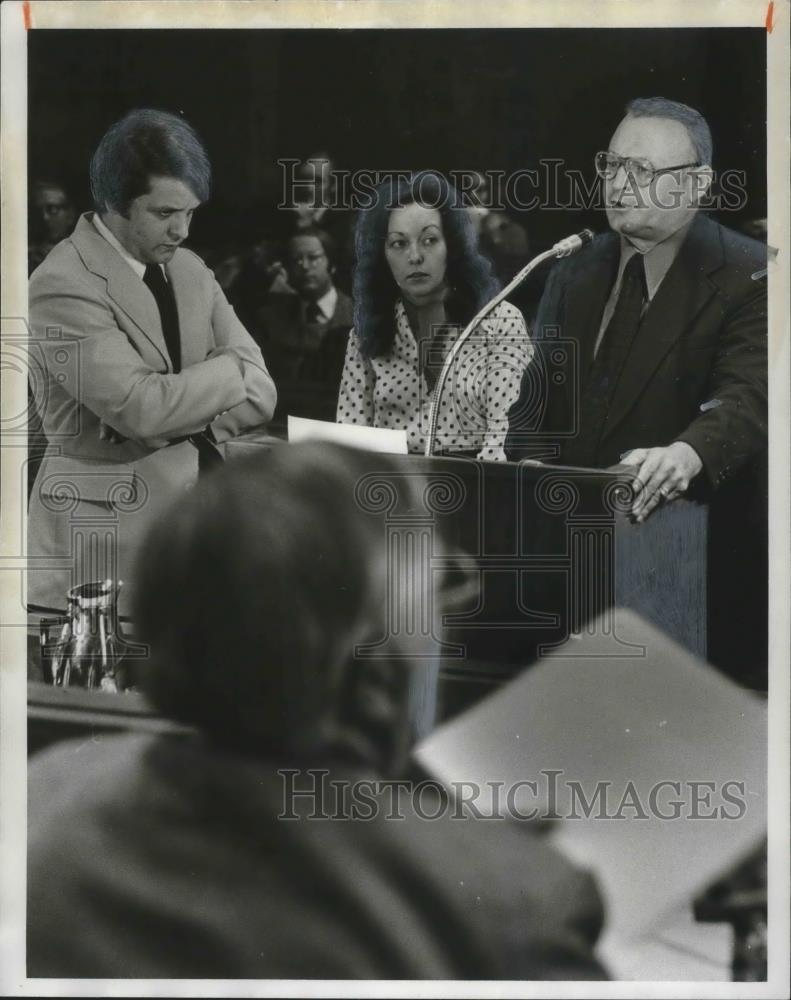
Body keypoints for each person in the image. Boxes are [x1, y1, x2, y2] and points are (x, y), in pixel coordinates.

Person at [27, 442, 606, 979]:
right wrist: (471, 857)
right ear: (379, 661)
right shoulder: (518, 909)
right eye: (440, 587)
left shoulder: (44, 797)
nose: (446, 620)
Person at [27, 109, 276, 614]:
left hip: (193, 533)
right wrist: (228, 370)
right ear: (115, 203)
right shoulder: (61, 283)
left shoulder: (190, 269)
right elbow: (141, 410)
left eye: (190, 213)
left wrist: (173, 406)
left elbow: (263, 393)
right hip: (96, 552)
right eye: (165, 214)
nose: (182, 230)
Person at [505, 98, 767, 523]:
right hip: (560, 531)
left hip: (679, 543)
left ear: (697, 184)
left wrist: (688, 453)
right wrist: (534, 471)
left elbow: (748, 395)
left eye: (641, 170)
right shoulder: (572, 270)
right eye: (611, 164)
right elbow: (533, 400)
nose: (617, 184)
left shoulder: (753, 273)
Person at [337, 171, 532, 460]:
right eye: (398, 243)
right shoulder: (366, 330)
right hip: (387, 488)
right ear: (382, 255)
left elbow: (504, 439)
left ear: (452, 246)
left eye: (429, 240)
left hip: (475, 485)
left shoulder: (499, 321)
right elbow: (349, 440)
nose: (414, 256)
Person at [253, 227, 353, 423]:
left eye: (313, 258)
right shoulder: (269, 319)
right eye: (296, 260)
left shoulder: (357, 318)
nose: (305, 266)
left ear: (331, 264)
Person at [27, 178, 78, 275]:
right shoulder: (25, 257)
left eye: (53, 209)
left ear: (70, 215)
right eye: (38, 211)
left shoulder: (84, 256)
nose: (44, 217)